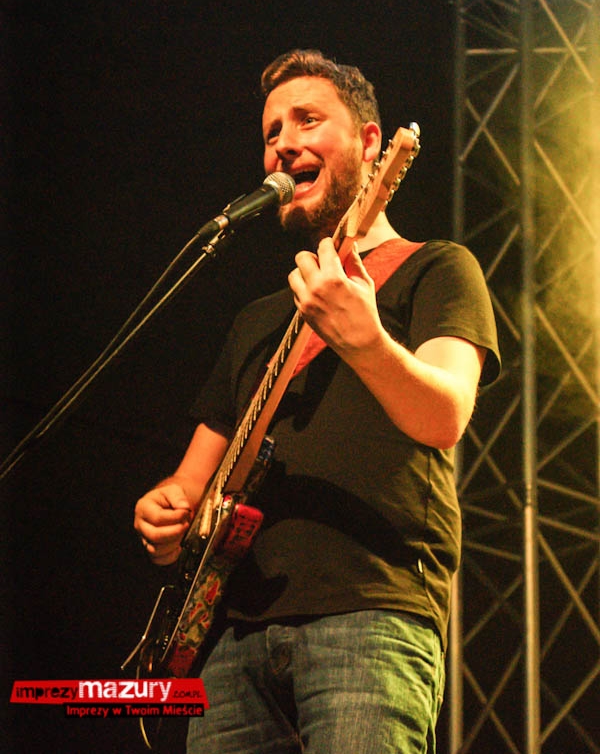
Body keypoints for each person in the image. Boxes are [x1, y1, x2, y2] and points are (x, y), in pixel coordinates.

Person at [134, 49, 500, 754]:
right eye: (271, 131)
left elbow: (446, 415)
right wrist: (165, 514)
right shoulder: (256, 321)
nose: (283, 144)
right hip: (226, 642)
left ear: (370, 143)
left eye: (307, 120)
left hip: (369, 615)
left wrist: (367, 342)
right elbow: (189, 485)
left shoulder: (438, 267)